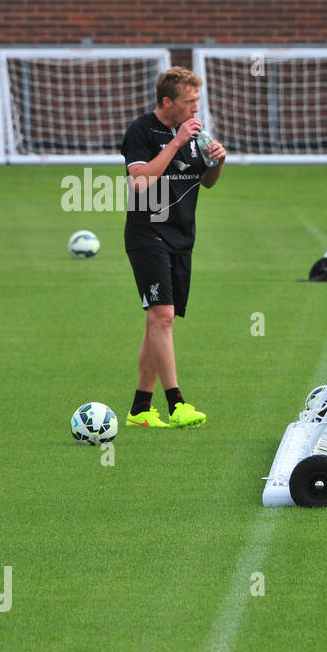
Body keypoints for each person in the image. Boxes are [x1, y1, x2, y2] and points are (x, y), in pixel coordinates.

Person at [119, 67, 225, 428]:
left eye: (198, 100)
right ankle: (177, 403)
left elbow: (207, 183)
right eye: (189, 101)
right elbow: (141, 181)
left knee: (159, 321)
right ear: (168, 102)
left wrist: (218, 163)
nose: (196, 108)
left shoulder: (196, 132)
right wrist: (176, 142)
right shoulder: (141, 130)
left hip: (182, 236)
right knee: (161, 317)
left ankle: (139, 410)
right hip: (148, 233)